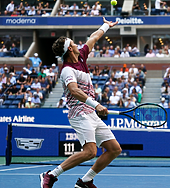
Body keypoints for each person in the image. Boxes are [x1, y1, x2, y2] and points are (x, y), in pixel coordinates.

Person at [40, 17, 121, 188]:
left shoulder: (82, 57)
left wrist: (106, 25)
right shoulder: (67, 70)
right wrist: (96, 105)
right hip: (79, 114)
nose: (78, 44)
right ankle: (50, 175)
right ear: (70, 48)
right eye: (74, 43)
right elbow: (75, 91)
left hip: (90, 113)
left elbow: (94, 37)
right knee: (90, 152)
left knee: (114, 149)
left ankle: (85, 181)